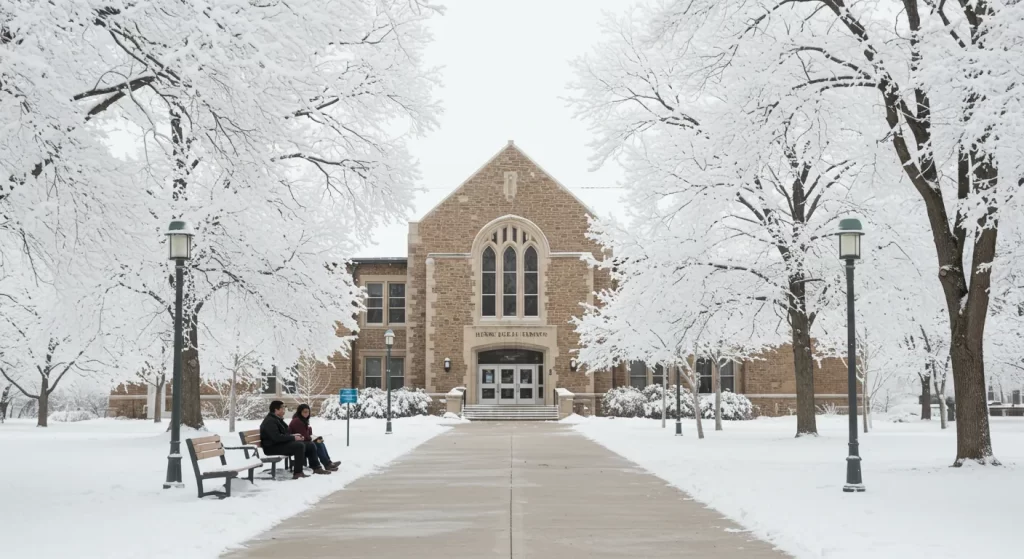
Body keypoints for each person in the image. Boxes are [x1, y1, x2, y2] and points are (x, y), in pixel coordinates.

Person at [260, 400, 330, 478]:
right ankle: (298, 473)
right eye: (283, 408)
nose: (284, 411)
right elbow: (276, 437)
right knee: (299, 446)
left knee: (310, 444)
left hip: (279, 444)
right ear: (276, 410)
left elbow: (285, 433)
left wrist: (296, 436)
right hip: (271, 447)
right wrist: (293, 437)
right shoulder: (270, 421)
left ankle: (316, 467)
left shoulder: (277, 419)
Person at [289, 404, 340, 472]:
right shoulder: (297, 421)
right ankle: (326, 464)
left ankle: (328, 463)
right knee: (318, 443)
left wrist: (310, 430)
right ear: (300, 412)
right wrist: (313, 438)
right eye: (304, 412)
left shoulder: (303, 420)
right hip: (298, 444)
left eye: (308, 412)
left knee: (320, 442)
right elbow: (304, 436)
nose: (306, 414)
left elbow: (307, 435)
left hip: (302, 442)